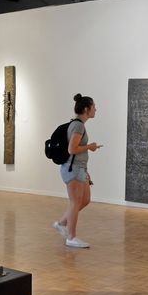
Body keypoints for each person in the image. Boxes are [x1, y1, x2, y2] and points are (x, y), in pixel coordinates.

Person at [52, 93, 102, 248]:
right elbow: (72, 149)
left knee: (85, 200)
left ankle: (61, 223)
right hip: (72, 169)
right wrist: (90, 147)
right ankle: (71, 237)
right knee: (75, 203)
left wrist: (86, 170)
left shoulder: (79, 125)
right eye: (94, 107)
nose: (96, 109)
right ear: (86, 109)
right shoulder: (78, 125)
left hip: (79, 168)